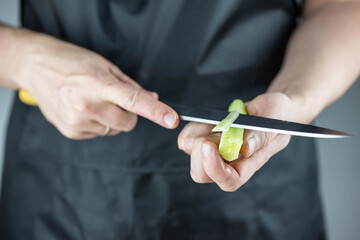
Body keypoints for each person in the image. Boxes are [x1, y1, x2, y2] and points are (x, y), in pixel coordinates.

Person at [0, 0, 359, 239]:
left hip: (261, 185)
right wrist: (23, 58)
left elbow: (339, 7)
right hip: (60, 190)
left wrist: (295, 99)